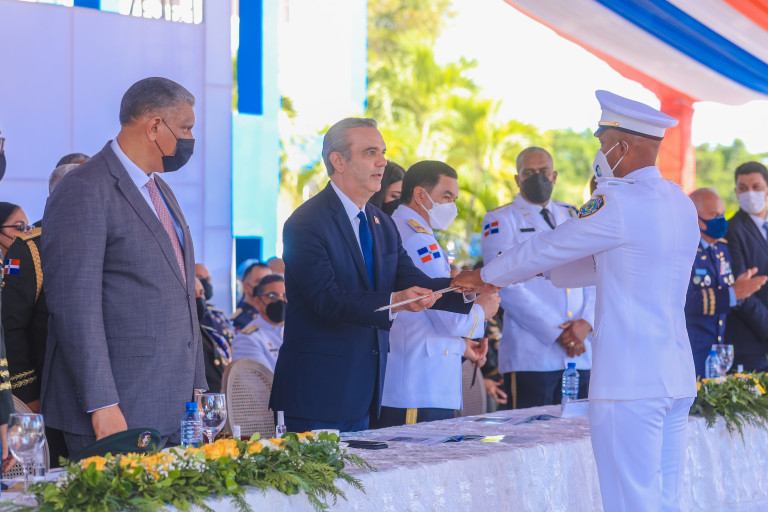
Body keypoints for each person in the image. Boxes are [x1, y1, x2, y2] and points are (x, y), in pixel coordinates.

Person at [452, 90, 699, 511]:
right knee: (665, 500)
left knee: (629, 501)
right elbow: (602, 264)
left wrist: (485, 276)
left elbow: (546, 246)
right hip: (675, 377)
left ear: (621, 147)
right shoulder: (679, 201)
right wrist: (539, 270)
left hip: (629, 382)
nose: (600, 153)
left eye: (603, 143)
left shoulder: (618, 202)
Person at [270, 117, 474, 432]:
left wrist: (469, 287)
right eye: (370, 153)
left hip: (366, 392)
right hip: (317, 392)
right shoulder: (306, 222)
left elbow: (413, 281)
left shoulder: (381, 222)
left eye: (382, 152)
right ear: (338, 161)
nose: (383, 162)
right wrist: (395, 301)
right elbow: (326, 300)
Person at [41, 77, 207, 453]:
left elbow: (183, 298)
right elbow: (74, 307)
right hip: (118, 411)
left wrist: (197, 388)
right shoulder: (84, 188)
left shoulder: (160, 189)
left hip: (175, 408)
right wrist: (102, 404)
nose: (190, 139)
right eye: (185, 128)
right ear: (154, 126)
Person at [374, 160, 499, 427]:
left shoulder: (406, 229)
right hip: (418, 383)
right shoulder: (417, 239)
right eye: (446, 197)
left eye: (454, 199)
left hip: (419, 379)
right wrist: (482, 310)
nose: (452, 206)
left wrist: (463, 344)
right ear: (420, 195)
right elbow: (446, 315)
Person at [481, 147, 595, 409]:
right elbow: (502, 282)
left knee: (577, 431)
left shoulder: (573, 215)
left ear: (554, 176)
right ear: (517, 179)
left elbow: (593, 272)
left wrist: (586, 322)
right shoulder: (500, 219)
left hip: (581, 351)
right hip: (531, 354)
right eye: (529, 173)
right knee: (529, 430)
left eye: (543, 171)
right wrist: (557, 332)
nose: (538, 178)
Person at [2, 163, 81, 465]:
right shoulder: (31, 248)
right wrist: (28, 395)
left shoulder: (109, 239)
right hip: (47, 395)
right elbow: (11, 327)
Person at [686, 188, 766, 377]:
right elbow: (685, 301)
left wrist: (740, 290)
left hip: (719, 355)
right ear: (696, 219)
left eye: (722, 214)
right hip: (692, 353)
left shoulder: (721, 249)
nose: (721, 220)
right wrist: (732, 294)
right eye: (715, 215)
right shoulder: (685, 252)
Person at [725, 162, 768, 372]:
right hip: (750, 344)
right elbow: (741, 289)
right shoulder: (731, 230)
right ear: (736, 191)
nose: (749, 193)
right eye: (743, 188)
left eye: (756, 187)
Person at [231, 274, 286, 371]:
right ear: (257, 301)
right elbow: (263, 378)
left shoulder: (297, 331)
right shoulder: (247, 339)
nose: (280, 300)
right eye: (272, 296)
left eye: (285, 295)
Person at [195, 263, 233, 362]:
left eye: (207, 279)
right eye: (199, 277)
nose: (205, 282)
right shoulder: (194, 314)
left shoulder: (217, 314)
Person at [195, 278, 227, 393]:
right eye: (193, 294)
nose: (199, 298)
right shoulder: (178, 337)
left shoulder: (207, 332)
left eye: (201, 293)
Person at [231, 262, 272, 331]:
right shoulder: (238, 321)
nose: (266, 286)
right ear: (245, 287)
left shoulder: (272, 315)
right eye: (259, 281)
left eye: (269, 282)